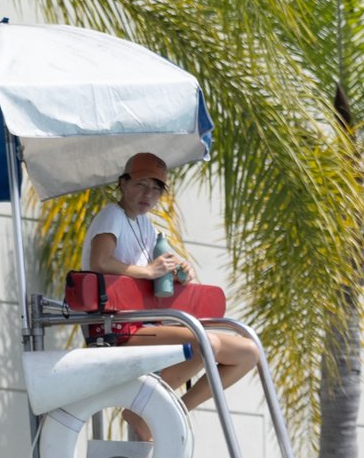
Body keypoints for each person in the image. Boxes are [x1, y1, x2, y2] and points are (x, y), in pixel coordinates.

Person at [80, 154, 259, 414]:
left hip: (147, 323)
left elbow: (166, 273)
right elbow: (100, 262)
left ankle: (174, 414)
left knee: (248, 352)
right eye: (141, 184)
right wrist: (148, 270)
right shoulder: (112, 216)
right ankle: (143, 412)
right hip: (114, 328)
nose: (148, 194)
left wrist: (182, 271)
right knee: (204, 344)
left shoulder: (146, 226)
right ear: (123, 183)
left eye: (156, 188)